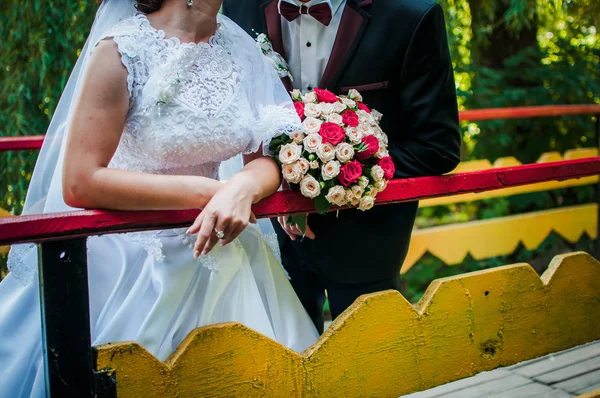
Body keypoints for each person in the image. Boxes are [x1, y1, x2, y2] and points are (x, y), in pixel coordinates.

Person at [0, 0, 319, 396]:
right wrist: (207, 193)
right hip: (132, 259)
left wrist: (242, 188)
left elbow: (268, 155)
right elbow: (80, 181)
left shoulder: (240, 45)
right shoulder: (121, 50)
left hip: (226, 246)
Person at [223, 0, 461, 333]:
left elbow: (438, 147)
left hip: (365, 241)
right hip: (265, 236)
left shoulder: (410, 15)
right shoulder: (237, 8)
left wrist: (334, 171)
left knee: (370, 370)